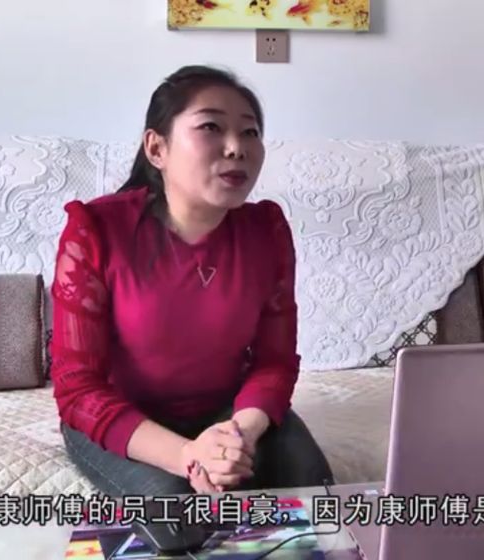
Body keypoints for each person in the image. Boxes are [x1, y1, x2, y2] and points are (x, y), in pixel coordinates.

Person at [49, 65, 334, 497]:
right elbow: (77, 389)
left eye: (250, 132)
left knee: (316, 496)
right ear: (156, 148)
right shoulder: (96, 230)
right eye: (211, 127)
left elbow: (274, 362)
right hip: (123, 419)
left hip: (227, 414)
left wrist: (237, 437)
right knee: (177, 509)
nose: (237, 148)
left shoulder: (267, 229)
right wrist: (189, 455)